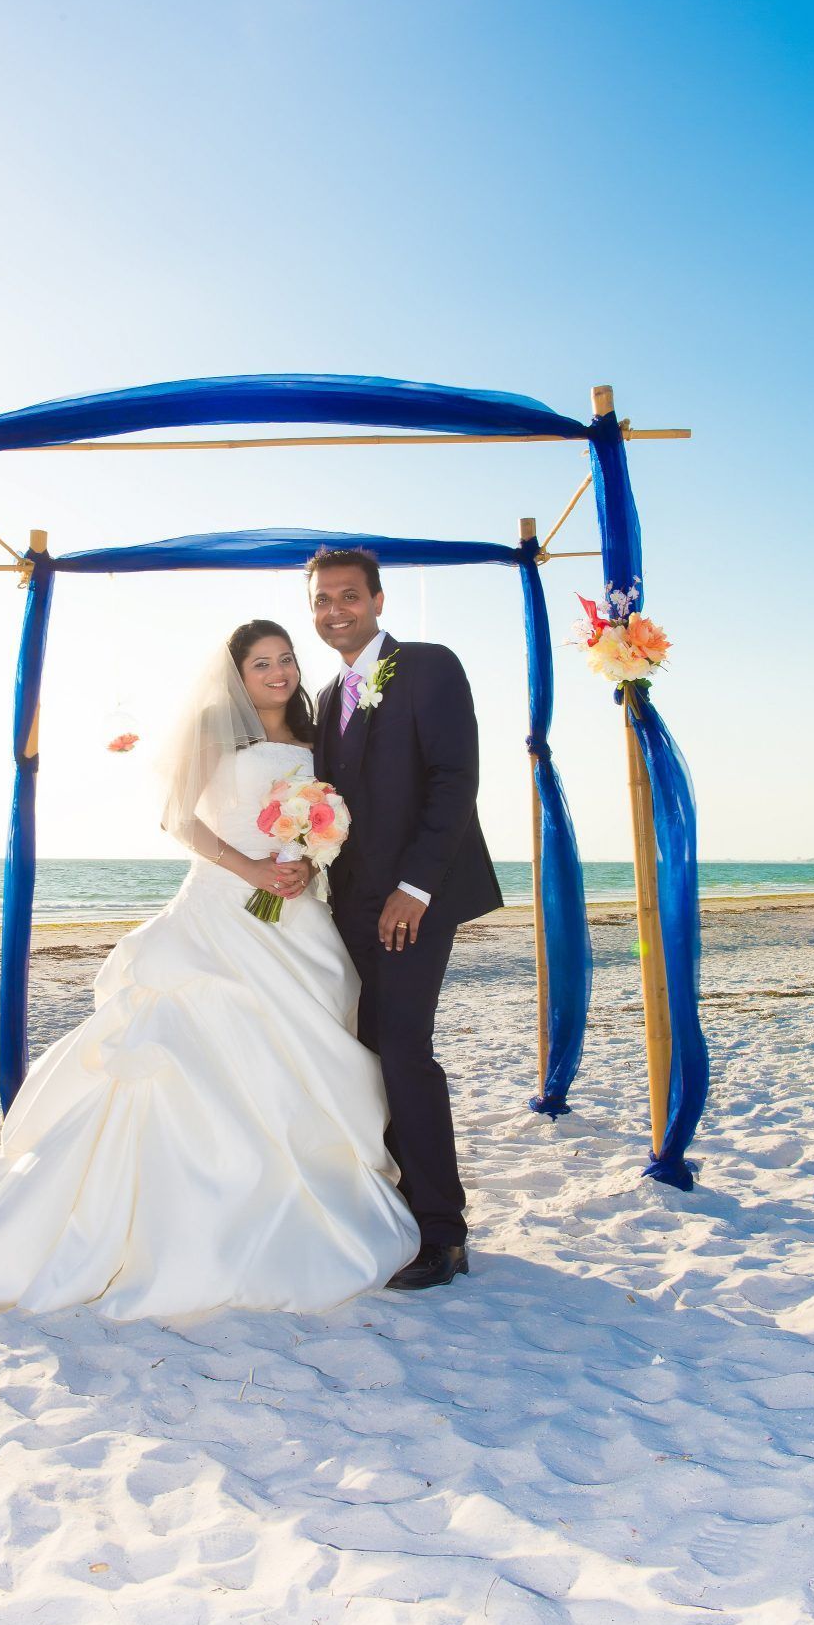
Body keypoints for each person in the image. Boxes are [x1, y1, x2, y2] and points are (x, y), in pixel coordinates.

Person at [0, 620, 418, 1323]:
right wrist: (250, 868)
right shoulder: (219, 733)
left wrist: (307, 856)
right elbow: (176, 818)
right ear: (237, 675)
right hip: (224, 907)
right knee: (188, 1044)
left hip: (295, 914)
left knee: (303, 1047)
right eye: (261, 664)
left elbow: (323, 820)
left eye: (284, 661)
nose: (278, 674)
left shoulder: (318, 737)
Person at [309, 547, 502, 1290]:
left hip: (418, 902)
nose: (335, 612)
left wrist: (415, 889)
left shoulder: (429, 666)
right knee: (365, 1049)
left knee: (405, 1050)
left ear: (379, 601)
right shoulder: (328, 698)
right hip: (351, 904)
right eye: (323, 601)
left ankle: (443, 1232)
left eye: (349, 597)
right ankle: (393, 1204)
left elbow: (457, 779)